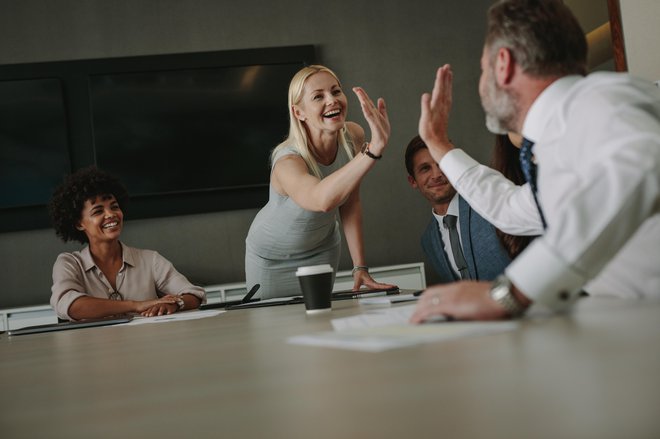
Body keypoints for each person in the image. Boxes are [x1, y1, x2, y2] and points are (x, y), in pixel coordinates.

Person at [412, 0, 660, 322]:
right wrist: (439, 146)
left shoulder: (598, 101)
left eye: (483, 68)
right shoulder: (564, 140)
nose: (481, 84)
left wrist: (509, 293)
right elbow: (511, 210)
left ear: (503, 64)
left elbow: (641, 161)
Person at [245, 65, 396, 299]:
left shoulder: (353, 136)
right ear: (299, 112)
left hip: (321, 248)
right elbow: (321, 200)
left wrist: (361, 267)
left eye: (336, 91)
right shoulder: (287, 160)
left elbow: (350, 201)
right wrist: (374, 150)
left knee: (320, 320)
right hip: (270, 257)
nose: (332, 100)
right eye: (318, 96)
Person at [49, 166, 206, 321]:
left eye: (114, 207)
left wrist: (175, 304)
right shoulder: (69, 263)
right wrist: (137, 305)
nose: (111, 214)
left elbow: (194, 294)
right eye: (98, 211)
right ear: (79, 223)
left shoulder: (150, 260)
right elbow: (69, 305)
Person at [405, 135, 511, 282]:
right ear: (413, 181)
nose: (436, 175)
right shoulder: (429, 241)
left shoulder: (488, 204)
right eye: (425, 168)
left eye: (442, 164)